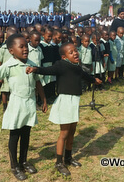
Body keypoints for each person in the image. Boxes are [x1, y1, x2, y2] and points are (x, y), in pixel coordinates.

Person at [0, 34, 47, 181]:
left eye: (26, 46)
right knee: (15, 135)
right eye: (21, 46)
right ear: (11, 51)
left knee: (26, 133)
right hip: (17, 104)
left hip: (30, 103)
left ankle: (24, 161)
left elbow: (38, 83)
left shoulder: (31, 64)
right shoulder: (9, 65)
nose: (25, 49)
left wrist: (43, 100)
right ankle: (15, 166)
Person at [26, 42, 101, 177]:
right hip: (65, 102)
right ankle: (59, 162)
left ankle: (68, 157)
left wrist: (94, 80)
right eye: (71, 52)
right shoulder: (61, 65)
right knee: (64, 133)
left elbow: (85, 76)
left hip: (74, 101)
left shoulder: (77, 67)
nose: (75, 53)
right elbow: (48, 70)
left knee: (72, 131)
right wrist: (35, 69)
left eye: (75, 50)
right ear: (64, 57)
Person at [0, 29, 17, 111]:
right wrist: (0, 75)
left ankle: (12, 105)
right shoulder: (3, 48)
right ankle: (5, 106)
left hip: (14, 73)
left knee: (13, 90)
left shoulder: (16, 48)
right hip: (5, 73)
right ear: (6, 38)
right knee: (4, 90)